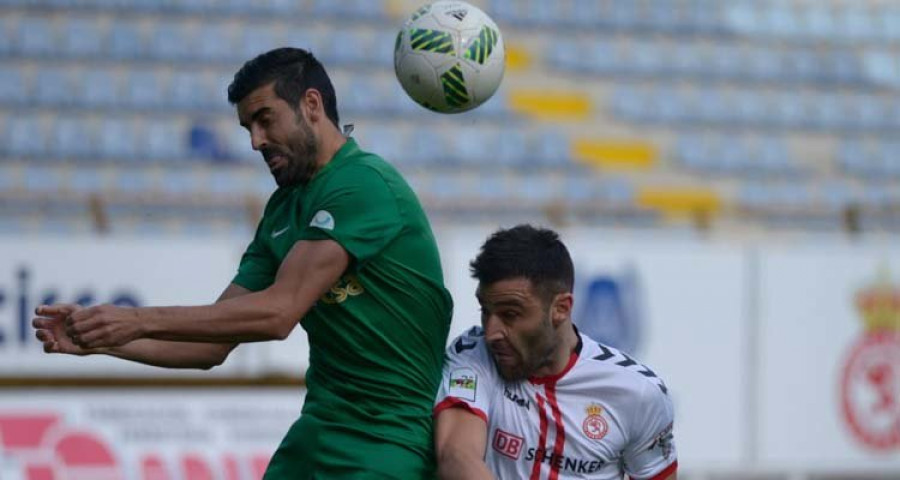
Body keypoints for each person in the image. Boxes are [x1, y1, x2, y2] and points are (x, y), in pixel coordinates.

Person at [32, 47, 453, 479]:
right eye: (247, 127)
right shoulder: (282, 209)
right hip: (314, 438)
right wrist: (100, 337)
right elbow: (208, 346)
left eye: (265, 119)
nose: (255, 141)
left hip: (386, 444)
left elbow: (278, 312)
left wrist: (135, 319)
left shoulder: (363, 185)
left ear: (311, 105)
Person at [433, 225, 677, 480]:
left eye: (510, 314)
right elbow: (457, 456)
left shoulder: (638, 391)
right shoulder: (473, 355)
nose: (492, 331)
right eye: (485, 311)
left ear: (561, 308)